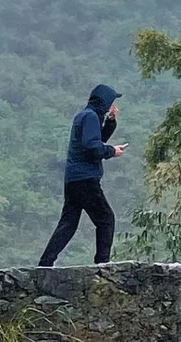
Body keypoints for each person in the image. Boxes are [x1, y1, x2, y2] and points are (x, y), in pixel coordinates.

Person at [39, 83, 128, 267]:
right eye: (110, 102)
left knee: (68, 223)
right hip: (86, 179)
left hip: (73, 179)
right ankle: (102, 263)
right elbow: (93, 147)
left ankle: (45, 263)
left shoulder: (86, 116)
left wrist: (110, 121)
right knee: (106, 219)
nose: (112, 106)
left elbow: (96, 140)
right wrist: (112, 151)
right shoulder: (90, 117)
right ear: (104, 102)